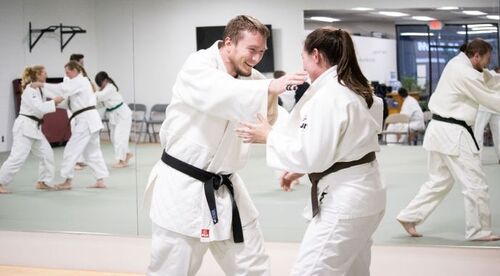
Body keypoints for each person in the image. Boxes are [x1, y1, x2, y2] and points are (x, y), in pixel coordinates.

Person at [143, 15, 306, 276]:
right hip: (182, 188)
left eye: (262, 52)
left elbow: (271, 120)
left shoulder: (253, 80)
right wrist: (269, 87)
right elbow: (220, 94)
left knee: (253, 265)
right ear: (228, 42)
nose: (256, 59)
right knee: (172, 268)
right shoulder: (198, 66)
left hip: (226, 187)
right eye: (251, 50)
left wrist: (298, 157)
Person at [236, 27, 386, 276]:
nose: (302, 64)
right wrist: (297, 171)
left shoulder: (330, 96)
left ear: (315, 55)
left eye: (303, 57)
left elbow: (311, 155)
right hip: (366, 191)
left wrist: (268, 136)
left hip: (346, 200)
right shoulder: (357, 88)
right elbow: (343, 146)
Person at [397, 38, 500, 241]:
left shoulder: (458, 63)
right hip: (454, 134)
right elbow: (488, 97)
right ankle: (477, 229)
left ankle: (409, 216)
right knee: (475, 183)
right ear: (476, 55)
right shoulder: (465, 73)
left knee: (439, 181)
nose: (488, 63)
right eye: (486, 59)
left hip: (439, 131)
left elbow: (487, 77)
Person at [32, 61, 109, 190]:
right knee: (92, 152)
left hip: (86, 121)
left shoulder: (81, 81)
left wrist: (42, 85)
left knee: (71, 149)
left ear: (74, 70)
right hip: (91, 120)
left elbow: (62, 89)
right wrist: (53, 103)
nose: (66, 75)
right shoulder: (79, 84)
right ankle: (100, 180)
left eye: (67, 72)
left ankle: (67, 181)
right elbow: (69, 103)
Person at [0, 66, 64, 194]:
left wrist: (65, 99)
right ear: (38, 74)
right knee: (17, 157)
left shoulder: (41, 89)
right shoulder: (29, 90)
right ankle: (1, 182)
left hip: (35, 128)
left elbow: (57, 95)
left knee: (47, 154)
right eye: (45, 73)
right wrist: (53, 102)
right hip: (24, 127)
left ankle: (43, 182)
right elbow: (39, 108)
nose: (47, 74)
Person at [94, 71, 133, 168]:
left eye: (100, 83)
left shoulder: (110, 87)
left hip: (123, 115)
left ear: (105, 80)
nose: (100, 85)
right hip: (114, 116)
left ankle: (121, 160)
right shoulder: (103, 90)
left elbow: (100, 96)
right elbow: (100, 102)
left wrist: (90, 92)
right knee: (113, 138)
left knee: (119, 138)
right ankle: (127, 154)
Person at [474, 67, 500, 163]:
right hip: (485, 106)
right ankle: (477, 158)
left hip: (495, 108)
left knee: (498, 134)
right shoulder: (488, 74)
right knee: (478, 132)